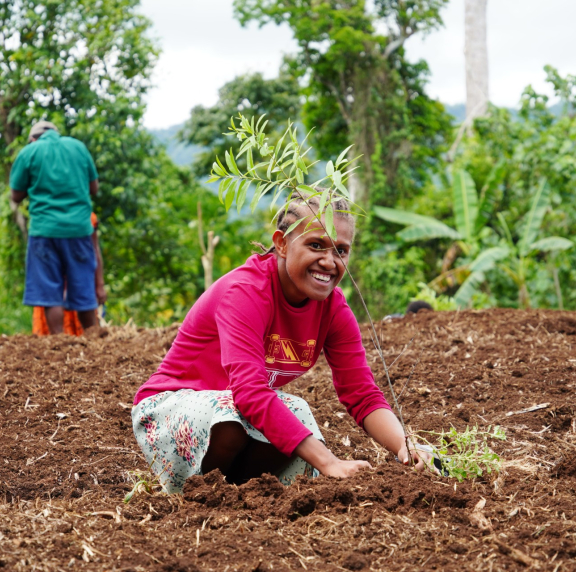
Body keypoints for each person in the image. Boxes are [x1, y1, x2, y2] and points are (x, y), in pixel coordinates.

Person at [132, 192, 432, 493]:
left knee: (293, 412)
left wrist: (405, 446)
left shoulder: (334, 310)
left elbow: (362, 393)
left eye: (341, 250)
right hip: (168, 412)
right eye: (316, 245)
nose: (329, 262)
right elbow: (249, 393)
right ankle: (198, 497)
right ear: (282, 243)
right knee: (236, 414)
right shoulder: (246, 292)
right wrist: (328, 462)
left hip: (232, 408)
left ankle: (244, 497)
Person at [10, 121, 100, 334]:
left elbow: (16, 195)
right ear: (56, 133)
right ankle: (95, 341)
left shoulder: (30, 152)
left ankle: (59, 343)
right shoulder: (77, 147)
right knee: (84, 289)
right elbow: (94, 188)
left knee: (51, 293)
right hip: (79, 229)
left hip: (44, 231)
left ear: (34, 138)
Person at [32, 212, 107, 336]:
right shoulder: (46, 214)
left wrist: (99, 284)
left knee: (82, 338)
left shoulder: (86, 217)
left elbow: (94, 251)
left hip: (73, 291)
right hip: (60, 292)